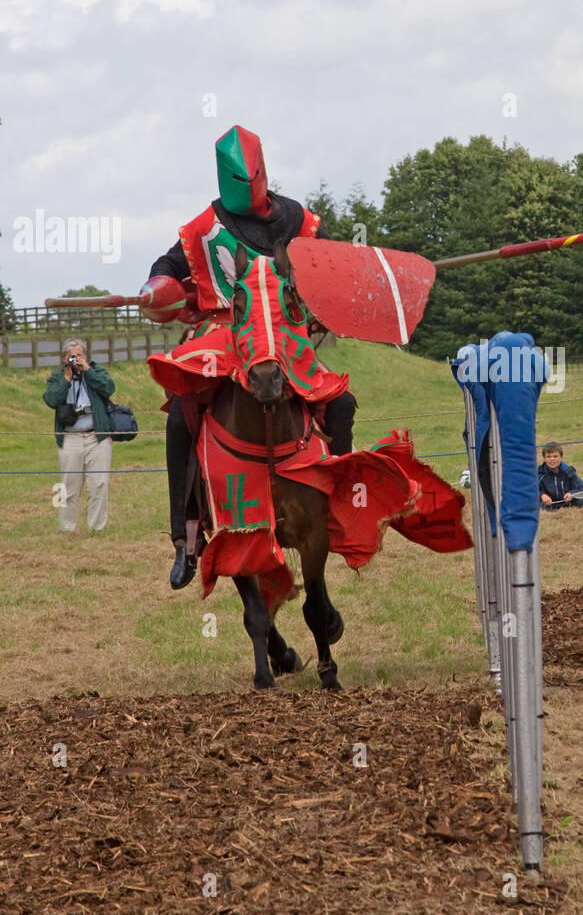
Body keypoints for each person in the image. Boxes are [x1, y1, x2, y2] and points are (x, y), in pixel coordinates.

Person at [140, 124, 356, 588]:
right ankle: (188, 538)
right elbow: (168, 266)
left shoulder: (298, 220)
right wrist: (156, 287)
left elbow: (328, 268)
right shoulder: (205, 228)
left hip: (286, 336)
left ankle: (341, 506)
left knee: (340, 402)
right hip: (225, 333)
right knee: (181, 416)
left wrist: (324, 303)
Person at [42, 337, 116, 532]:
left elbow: (109, 388)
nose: (76, 360)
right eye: (72, 357)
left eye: (80, 355)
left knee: (98, 484)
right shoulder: (57, 377)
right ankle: (67, 527)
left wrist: (87, 371)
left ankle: (97, 527)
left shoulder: (95, 371)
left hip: (96, 436)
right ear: (64, 359)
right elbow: (51, 400)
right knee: (68, 486)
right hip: (70, 437)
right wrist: (66, 379)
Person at [538, 443, 583, 511]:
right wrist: (542, 495)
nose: (552, 459)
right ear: (544, 458)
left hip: (567, 502)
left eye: (555, 456)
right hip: (548, 503)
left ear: (561, 457)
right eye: (548, 457)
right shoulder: (539, 472)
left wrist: (571, 493)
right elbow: (531, 489)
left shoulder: (568, 470)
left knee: (582, 501)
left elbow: (581, 488)